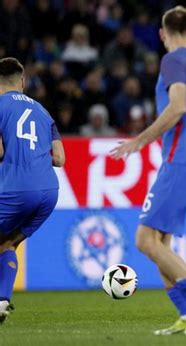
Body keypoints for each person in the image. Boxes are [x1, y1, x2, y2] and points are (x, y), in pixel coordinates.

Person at [110, 6, 186, 335]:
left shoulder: (173, 59)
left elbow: (178, 106)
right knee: (160, 242)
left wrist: (141, 140)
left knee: (145, 240)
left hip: (177, 161)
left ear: (163, 34)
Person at [0, 57, 65, 323]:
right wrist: (36, 155)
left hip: (15, 189)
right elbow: (60, 158)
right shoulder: (43, 111)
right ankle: (2, 300)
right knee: (6, 243)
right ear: (23, 81)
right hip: (49, 191)